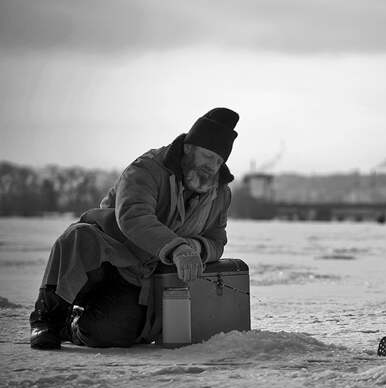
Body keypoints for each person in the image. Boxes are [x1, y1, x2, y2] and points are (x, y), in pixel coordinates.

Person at [29, 107, 239, 349]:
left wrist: (196, 247)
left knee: (110, 334)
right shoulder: (147, 169)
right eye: (207, 155)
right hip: (110, 255)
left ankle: (72, 326)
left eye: (218, 160)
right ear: (189, 147)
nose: (212, 166)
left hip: (145, 277)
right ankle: (47, 320)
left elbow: (216, 240)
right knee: (78, 237)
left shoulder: (221, 193)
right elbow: (134, 217)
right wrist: (178, 249)